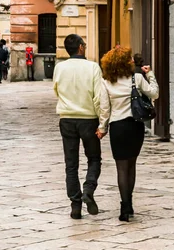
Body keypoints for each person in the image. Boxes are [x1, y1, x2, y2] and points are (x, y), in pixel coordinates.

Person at [97, 48, 159, 222]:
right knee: (132, 165)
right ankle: (129, 204)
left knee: (121, 168)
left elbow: (104, 108)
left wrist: (102, 128)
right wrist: (151, 75)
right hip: (135, 127)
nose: (132, 60)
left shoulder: (106, 82)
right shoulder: (137, 78)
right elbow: (154, 93)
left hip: (118, 128)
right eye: (129, 58)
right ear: (124, 62)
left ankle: (125, 206)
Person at [53, 34, 102, 220]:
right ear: (81, 47)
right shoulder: (93, 67)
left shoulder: (59, 67)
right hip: (89, 119)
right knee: (94, 158)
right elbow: (98, 97)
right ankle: (88, 190)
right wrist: (103, 122)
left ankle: (75, 205)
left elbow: (56, 90)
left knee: (71, 164)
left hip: (67, 119)